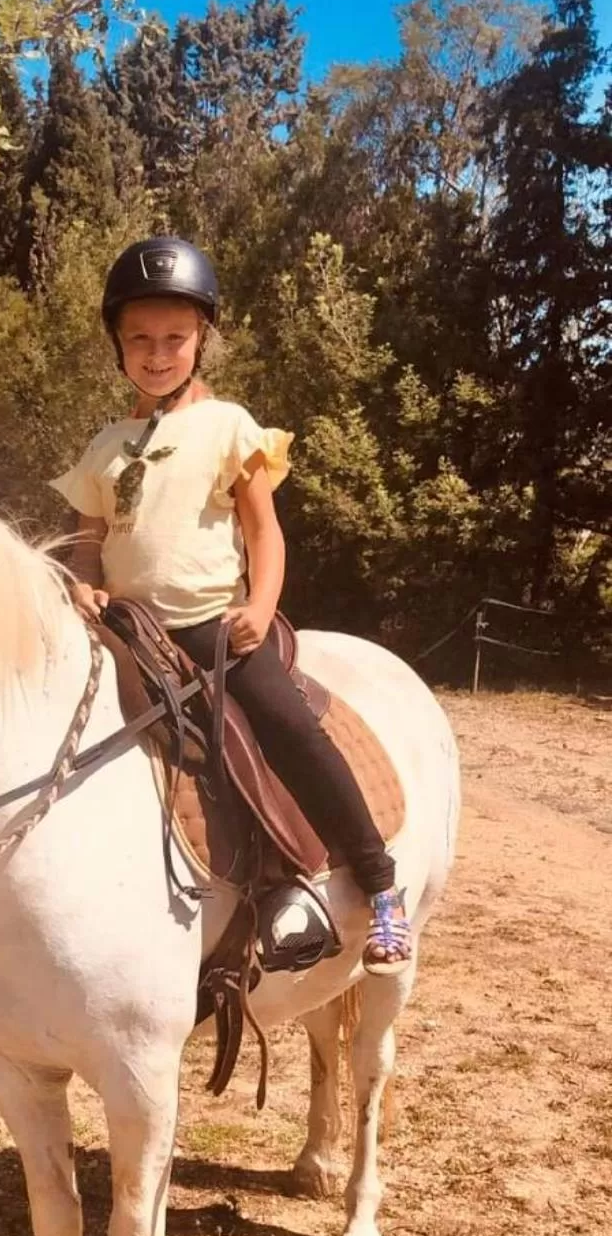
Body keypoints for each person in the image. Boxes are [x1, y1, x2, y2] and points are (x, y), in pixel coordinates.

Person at [51, 235, 412, 976]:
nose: (158, 353)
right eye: (140, 339)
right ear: (117, 344)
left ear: (201, 339)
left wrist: (262, 601)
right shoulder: (104, 446)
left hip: (216, 629)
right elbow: (88, 543)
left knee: (287, 729)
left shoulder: (229, 426)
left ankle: (375, 884)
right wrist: (83, 581)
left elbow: (264, 532)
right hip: (127, 630)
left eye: (175, 339)